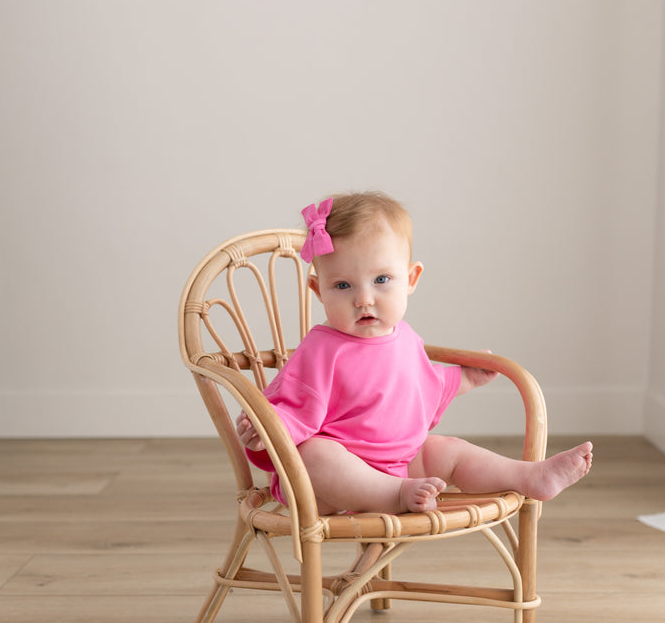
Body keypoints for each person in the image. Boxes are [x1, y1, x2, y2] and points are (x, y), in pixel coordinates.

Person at [236, 192, 592, 515]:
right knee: (315, 455)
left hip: (401, 463)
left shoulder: (406, 338)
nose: (363, 298)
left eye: (381, 280)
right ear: (318, 290)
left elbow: (420, 386)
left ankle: (529, 475)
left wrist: (465, 377)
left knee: (448, 450)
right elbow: (294, 404)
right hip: (329, 486)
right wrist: (265, 427)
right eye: (342, 285)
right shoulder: (321, 348)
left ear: (411, 279)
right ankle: (395, 496)